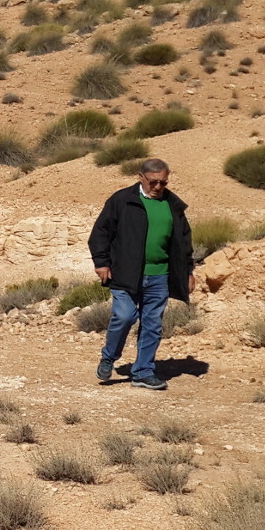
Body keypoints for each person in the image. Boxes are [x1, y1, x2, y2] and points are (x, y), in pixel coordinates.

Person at [88, 158, 195, 390]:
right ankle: (109, 357)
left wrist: (188, 271)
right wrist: (102, 263)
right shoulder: (122, 200)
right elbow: (100, 233)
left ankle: (143, 372)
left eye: (163, 183)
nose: (158, 187)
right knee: (124, 316)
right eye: (153, 182)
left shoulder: (172, 204)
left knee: (152, 324)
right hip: (125, 273)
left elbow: (184, 242)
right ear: (141, 177)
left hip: (160, 275)